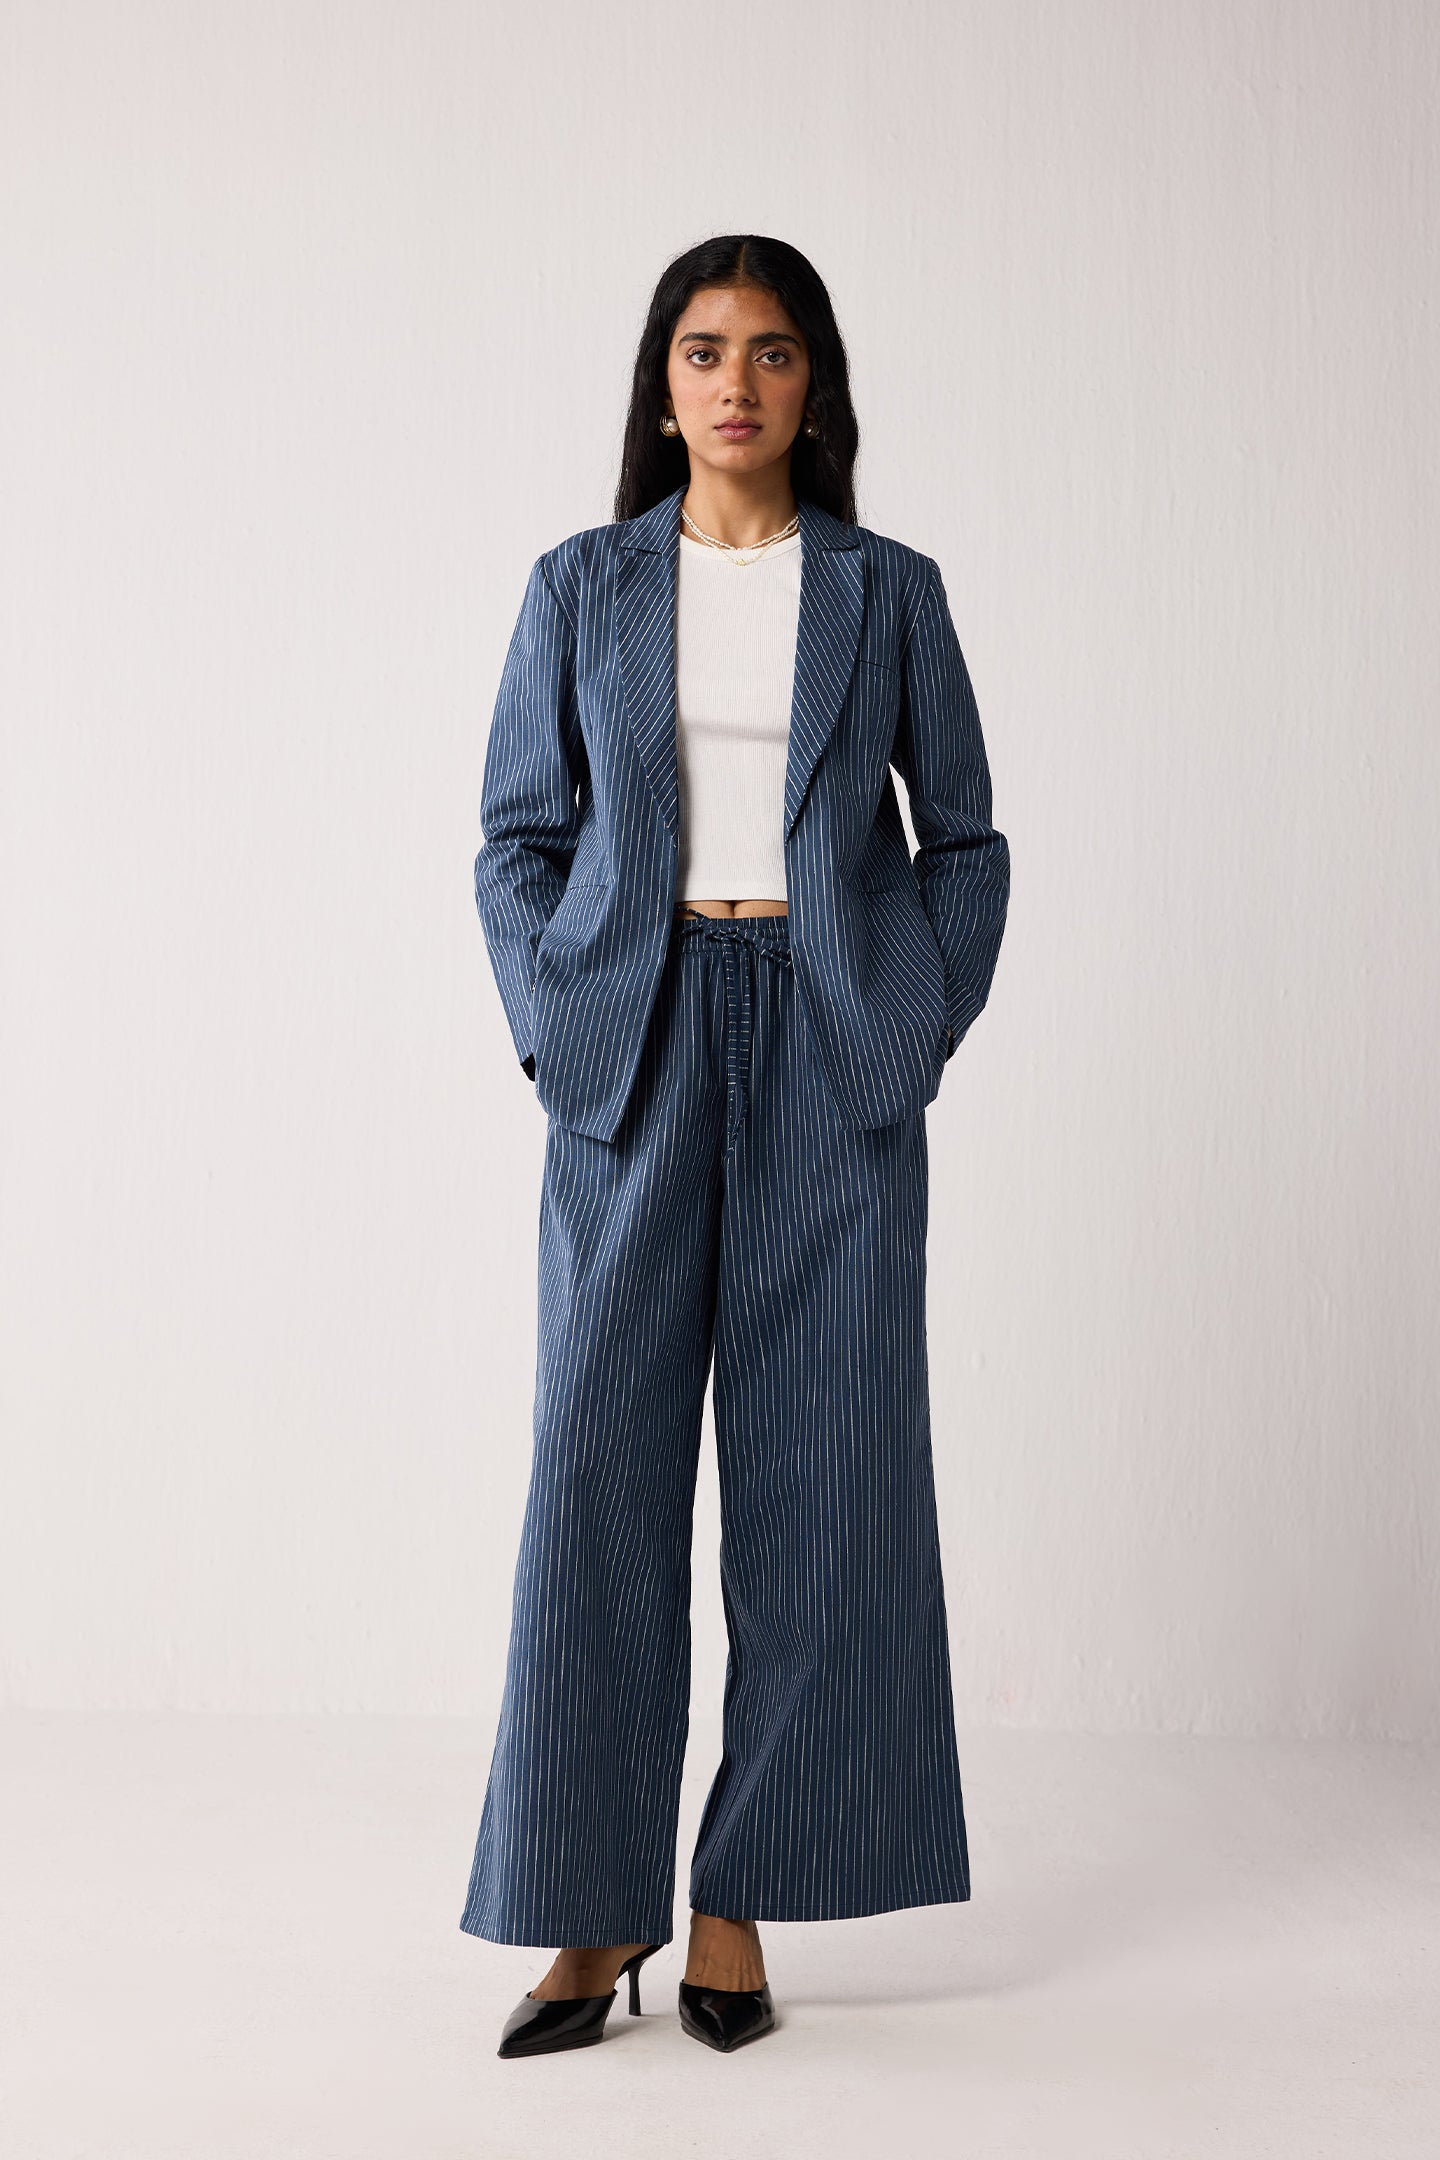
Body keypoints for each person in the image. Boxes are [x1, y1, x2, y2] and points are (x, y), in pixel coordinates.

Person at [459, 233, 1011, 2058]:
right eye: (704, 350)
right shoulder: (579, 585)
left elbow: (969, 843)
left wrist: (911, 1024)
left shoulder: (892, 591)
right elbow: (516, 838)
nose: (736, 383)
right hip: (633, 1045)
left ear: (814, 386)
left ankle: (730, 1907)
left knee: (822, 1488)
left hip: (834, 1050)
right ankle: (587, 1908)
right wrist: (556, 1028)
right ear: (663, 381)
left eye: (771, 353)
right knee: (595, 1477)